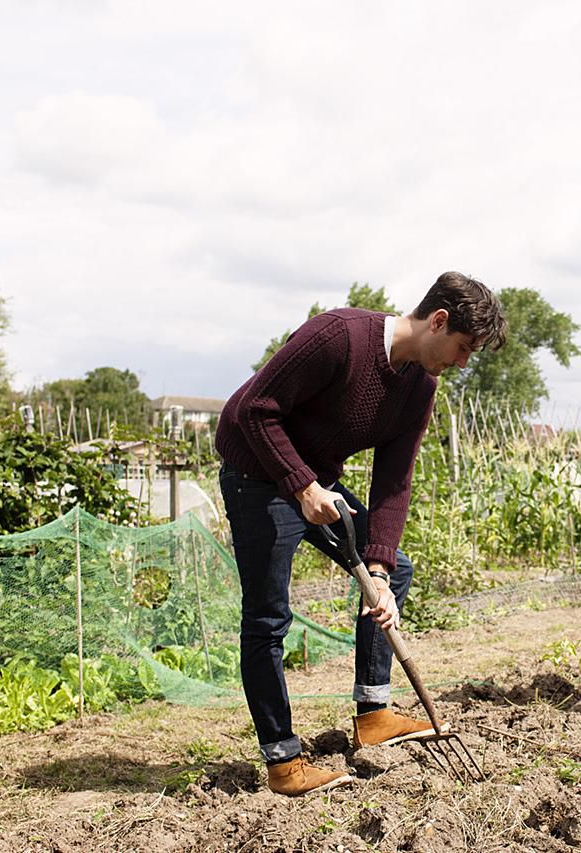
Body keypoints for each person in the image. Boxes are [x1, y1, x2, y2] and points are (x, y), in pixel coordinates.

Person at [215, 272, 507, 796]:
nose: (464, 363)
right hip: (257, 474)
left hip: (316, 479)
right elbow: (253, 410)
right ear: (438, 321)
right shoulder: (339, 337)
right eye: (463, 348)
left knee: (394, 569)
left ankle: (373, 714)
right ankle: (283, 762)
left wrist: (377, 571)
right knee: (268, 617)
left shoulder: (420, 386)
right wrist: (302, 486)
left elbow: (394, 483)